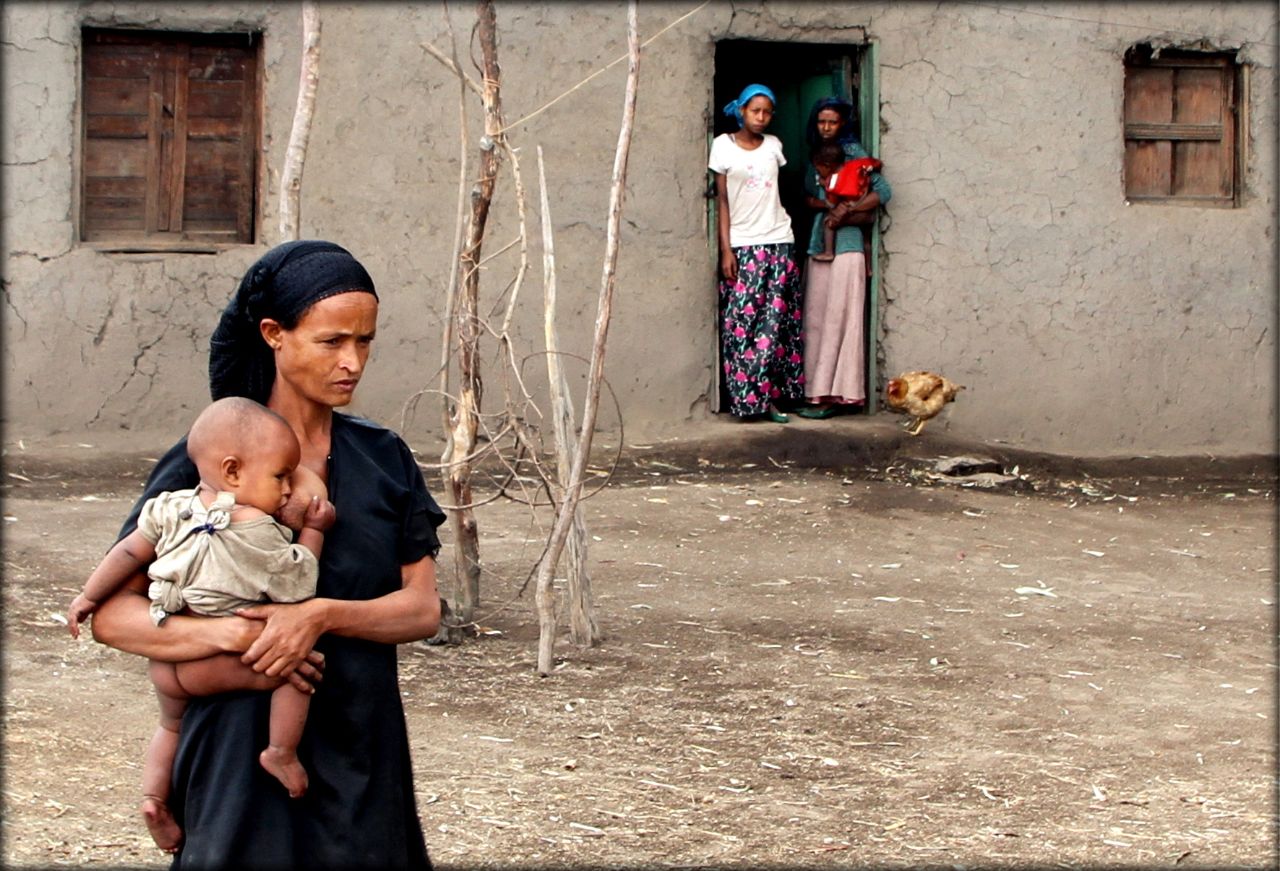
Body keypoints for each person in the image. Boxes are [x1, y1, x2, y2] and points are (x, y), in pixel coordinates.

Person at [88, 240, 447, 869]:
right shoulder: (208, 465)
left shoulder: (384, 459)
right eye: (332, 341)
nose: (353, 361)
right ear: (274, 334)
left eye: (365, 342)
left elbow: (420, 609)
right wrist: (229, 633)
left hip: (362, 749)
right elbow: (113, 617)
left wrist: (318, 616)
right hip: (236, 755)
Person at [68, 397, 337, 849]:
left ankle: (155, 799)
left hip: (166, 658)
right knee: (295, 670)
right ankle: (280, 752)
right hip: (211, 661)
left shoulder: (168, 507)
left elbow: (128, 553)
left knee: (170, 726)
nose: (289, 490)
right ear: (233, 471)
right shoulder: (255, 528)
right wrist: (315, 531)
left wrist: (87, 596)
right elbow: (297, 580)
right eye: (279, 477)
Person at [709, 83, 804, 423]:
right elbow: (722, 201)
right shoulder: (723, 146)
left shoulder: (774, 146)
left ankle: (772, 399)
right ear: (742, 111)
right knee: (742, 324)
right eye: (755, 111)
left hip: (779, 240)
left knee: (776, 326)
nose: (761, 118)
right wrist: (726, 250)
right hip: (743, 246)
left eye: (767, 112)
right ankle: (747, 401)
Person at [796, 96, 892, 420]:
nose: (826, 128)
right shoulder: (815, 156)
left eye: (832, 122)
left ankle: (842, 395)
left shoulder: (855, 157)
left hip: (848, 246)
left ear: (843, 124)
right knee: (818, 318)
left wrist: (847, 209)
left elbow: (883, 192)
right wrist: (827, 208)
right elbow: (809, 197)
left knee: (842, 318)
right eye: (821, 121)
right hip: (819, 243)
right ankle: (815, 393)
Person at [810, 143, 883, 263]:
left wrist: (823, 185)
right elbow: (876, 163)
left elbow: (831, 205)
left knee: (828, 222)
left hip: (850, 210)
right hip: (866, 206)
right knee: (866, 239)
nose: (819, 173)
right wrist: (875, 168)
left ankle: (828, 253)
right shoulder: (857, 164)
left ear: (827, 166)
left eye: (819, 169)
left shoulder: (832, 182)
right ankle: (869, 268)